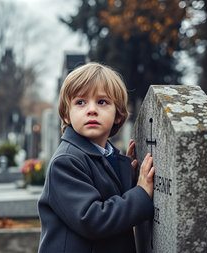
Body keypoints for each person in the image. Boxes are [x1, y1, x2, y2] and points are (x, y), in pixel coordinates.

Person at [38, 62, 155, 253]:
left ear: (117, 115)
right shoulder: (66, 162)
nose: (91, 110)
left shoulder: (103, 155)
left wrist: (128, 177)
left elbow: (107, 193)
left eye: (102, 102)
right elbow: (93, 219)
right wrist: (140, 193)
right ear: (67, 115)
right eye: (80, 102)